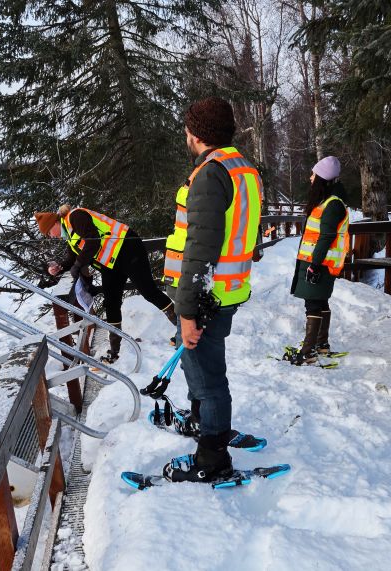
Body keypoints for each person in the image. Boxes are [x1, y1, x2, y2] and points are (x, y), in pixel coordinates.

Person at [161, 96, 263, 483]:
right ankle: (204, 421)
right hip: (227, 290)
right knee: (202, 368)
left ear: (196, 133)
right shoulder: (243, 169)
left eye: (187, 129)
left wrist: (187, 311)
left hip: (208, 295)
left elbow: (200, 248)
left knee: (207, 376)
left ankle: (212, 458)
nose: (185, 135)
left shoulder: (211, 172)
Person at [35, 206, 177, 363]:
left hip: (128, 249)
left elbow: (93, 241)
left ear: (54, 223)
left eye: (48, 233)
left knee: (149, 291)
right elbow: (73, 258)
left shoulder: (76, 217)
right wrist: (60, 267)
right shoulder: (69, 233)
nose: (50, 237)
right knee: (111, 303)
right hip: (111, 263)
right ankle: (114, 351)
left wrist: (78, 264)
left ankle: (182, 329)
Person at [288, 156, 350, 365]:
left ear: (322, 178)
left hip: (320, 263)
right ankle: (320, 345)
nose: (310, 177)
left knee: (313, 304)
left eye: (313, 174)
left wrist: (314, 266)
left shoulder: (332, 205)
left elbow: (326, 237)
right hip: (317, 261)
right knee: (320, 301)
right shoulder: (327, 202)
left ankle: (308, 352)